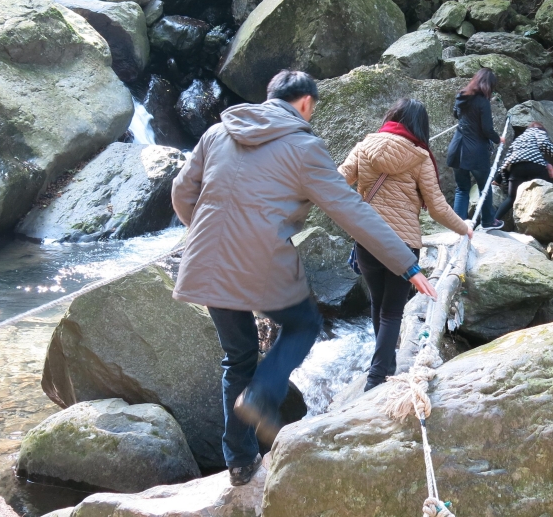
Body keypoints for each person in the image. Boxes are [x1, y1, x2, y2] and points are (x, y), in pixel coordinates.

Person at [170, 70, 437, 487]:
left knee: (237, 358)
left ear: (268, 96)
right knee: (304, 324)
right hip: (261, 262)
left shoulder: (216, 133)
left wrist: (203, 233)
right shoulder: (304, 147)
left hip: (205, 258)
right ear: (306, 104)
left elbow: (182, 192)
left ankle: (239, 463)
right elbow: (353, 211)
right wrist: (408, 264)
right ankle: (260, 397)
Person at [339, 99, 472, 391]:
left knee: (377, 302)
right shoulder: (420, 157)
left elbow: (337, 181)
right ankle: (377, 379)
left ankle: (382, 363)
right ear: (419, 128)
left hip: (367, 238)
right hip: (402, 245)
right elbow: (436, 207)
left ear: (393, 116)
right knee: (392, 312)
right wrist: (465, 228)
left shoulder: (365, 145)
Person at [447, 68, 503, 228]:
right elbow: (487, 129)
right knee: (484, 187)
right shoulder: (482, 102)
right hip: (476, 153)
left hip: (457, 150)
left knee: (462, 188)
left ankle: (458, 226)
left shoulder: (461, 96)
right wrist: (499, 139)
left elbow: (456, 115)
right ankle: (488, 221)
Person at [493, 123, 553, 220]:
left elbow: (507, 159)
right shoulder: (538, 131)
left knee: (511, 198)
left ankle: (494, 220)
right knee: (547, 192)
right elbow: (544, 143)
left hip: (517, 168)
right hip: (536, 168)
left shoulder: (518, 140)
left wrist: (497, 179)